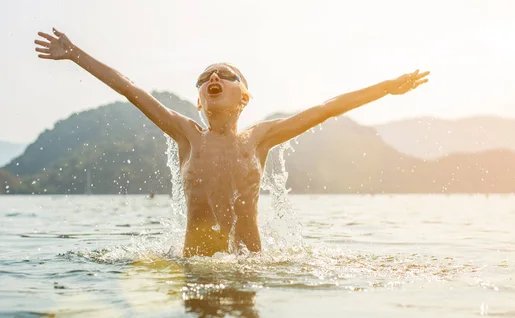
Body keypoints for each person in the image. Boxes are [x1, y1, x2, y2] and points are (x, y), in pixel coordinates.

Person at [35, 28, 429, 257]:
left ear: (245, 97)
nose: (214, 76)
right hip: (195, 267)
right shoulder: (187, 133)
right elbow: (129, 88)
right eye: (206, 76)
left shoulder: (261, 138)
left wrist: (386, 89)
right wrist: (75, 54)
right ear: (200, 99)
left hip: (250, 267)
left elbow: (327, 107)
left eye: (226, 74)